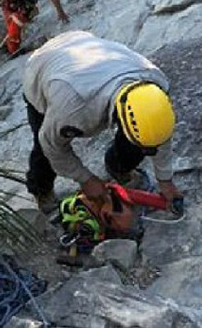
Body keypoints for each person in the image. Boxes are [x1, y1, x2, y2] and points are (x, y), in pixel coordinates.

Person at [22, 30, 183, 214]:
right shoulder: (74, 106)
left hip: (90, 55)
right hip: (44, 67)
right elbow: (51, 144)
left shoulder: (156, 86)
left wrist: (165, 181)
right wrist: (85, 179)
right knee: (44, 149)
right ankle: (41, 189)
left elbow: (159, 134)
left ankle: (118, 167)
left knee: (141, 140)